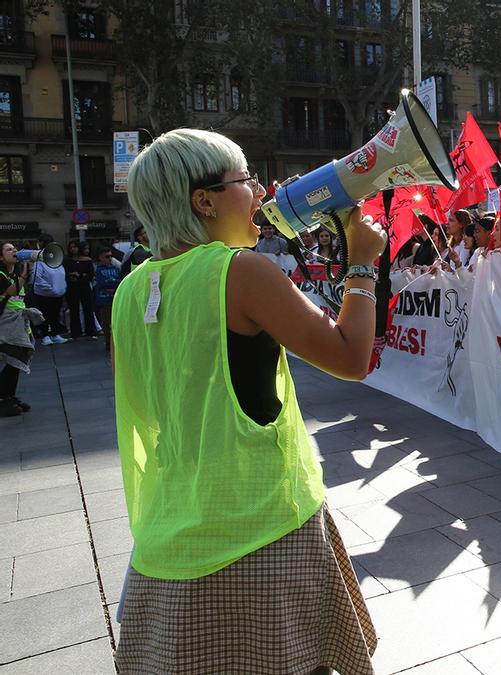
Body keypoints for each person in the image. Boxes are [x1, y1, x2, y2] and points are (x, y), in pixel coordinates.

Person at [113, 128, 380, 673]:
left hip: (167, 542)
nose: (260, 192)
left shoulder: (129, 290)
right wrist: (362, 260)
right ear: (203, 201)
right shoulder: (241, 273)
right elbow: (351, 357)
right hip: (260, 529)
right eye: (246, 180)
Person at [0, 242, 39, 416]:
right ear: (1, 257)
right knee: (12, 358)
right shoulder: (1, 274)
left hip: (18, 322)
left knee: (17, 361)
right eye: (9, 249)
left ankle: (9, 396)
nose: (14, 251)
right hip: (5, 324)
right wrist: (24, 274)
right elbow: (10, 291)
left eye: (15, 248)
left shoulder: (14, 273)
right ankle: (2, 399)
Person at [30, 236, 68, 345]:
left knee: (55, 315)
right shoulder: (39, 262)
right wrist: (51, 289)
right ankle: (45, 335)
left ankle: (55, 334)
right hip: (44, 295)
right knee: (44, 315)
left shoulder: (57, 260)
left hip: (57, 294)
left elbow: (61, 275)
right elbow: (37, 279)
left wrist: (61, 288)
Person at [65, 240, 99, 339]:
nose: (73, 249)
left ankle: (91, 330)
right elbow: (65, 273)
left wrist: (81, 276)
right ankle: (75, 331)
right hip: (72, 286)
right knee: (73, 309)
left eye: (75, 247)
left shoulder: (87, 260)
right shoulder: (67, 261)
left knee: (88, 308)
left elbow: (91, 274)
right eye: (71, 247)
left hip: (84, 285)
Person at [93, 245, 120, 354]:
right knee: (107, 322)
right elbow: (101, 283)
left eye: (111, 256)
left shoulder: (116, 268)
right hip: (105, 300)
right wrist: (112, 282)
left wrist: (111, 282)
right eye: (107, 256)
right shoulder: (98, 269)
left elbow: (118, 281)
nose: (110, 259)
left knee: (116, 322)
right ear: (100, 257)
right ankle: (108, 343)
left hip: (114, 298)